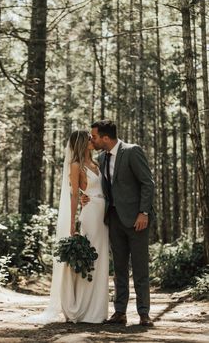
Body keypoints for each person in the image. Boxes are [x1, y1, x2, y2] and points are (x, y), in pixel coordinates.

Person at [26, 130, 109, 324]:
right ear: (81, 142)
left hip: (103, 215)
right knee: (89, 260)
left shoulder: (96, 163)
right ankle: (81, 308)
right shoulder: (76, 165)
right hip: (90, 215)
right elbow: (74, 194)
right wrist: (72, 222)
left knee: (102, 260)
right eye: (88, 138)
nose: (92, 140)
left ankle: (97, 310)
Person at [84, 120, 155, 326]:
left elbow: (147, 183)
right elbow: (97, 186)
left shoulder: (132, 152)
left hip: (137, 220)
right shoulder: (101, 158)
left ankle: (144, 313)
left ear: (106, 138)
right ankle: (120, 312)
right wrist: (85, 197)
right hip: (113, 219)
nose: (92, 140)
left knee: (140, 268)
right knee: (120, 268)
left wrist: (143, 212)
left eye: (95, 137)